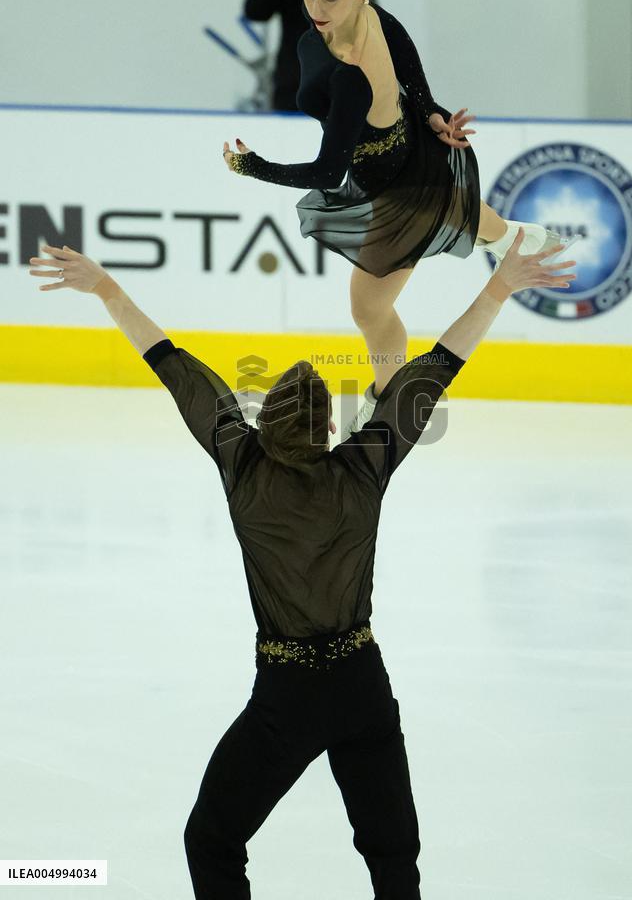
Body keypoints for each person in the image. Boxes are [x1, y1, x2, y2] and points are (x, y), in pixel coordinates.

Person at [28, 232, 575, 900]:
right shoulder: (365, 464)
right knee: (393, 859)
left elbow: (171, 365)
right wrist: (498, 287)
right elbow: (438, 366)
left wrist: (107, 288)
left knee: (212, 840)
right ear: (325, 430)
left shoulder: (241, 462)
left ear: (264, 423)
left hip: (285, 700)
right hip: (361, 687)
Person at [225, 0, 567, 439]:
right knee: (461, 215)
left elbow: (326, 174)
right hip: (410, 148)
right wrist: (430, 112)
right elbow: (409, 66)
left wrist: (253, 167)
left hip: (397, 189)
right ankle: (517, 238)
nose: (315, 8)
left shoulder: (349, 75)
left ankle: (388, 405)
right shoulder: (373, 17)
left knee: (369, 306)